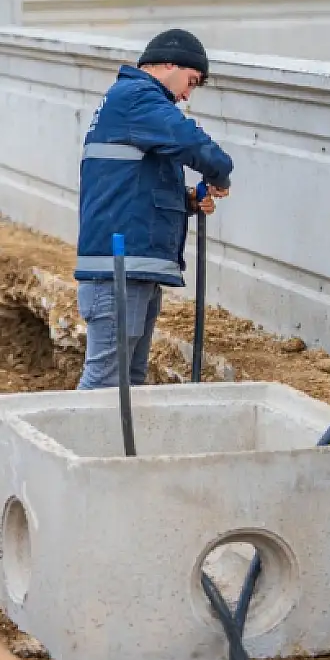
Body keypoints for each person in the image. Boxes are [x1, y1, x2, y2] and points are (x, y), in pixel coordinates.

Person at [74, 28, 234, 391]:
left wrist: (188, 199)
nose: (187, 95)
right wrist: (220, 172)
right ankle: (87, 448)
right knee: (105, 383)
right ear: (167, 65)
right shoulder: (138, 98)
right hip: (118, 266)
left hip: (133, 265)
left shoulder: (131, 105)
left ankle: (121, 449)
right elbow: (191, 141)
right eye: (190, 82)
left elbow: (137, 184)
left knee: (129, 382)